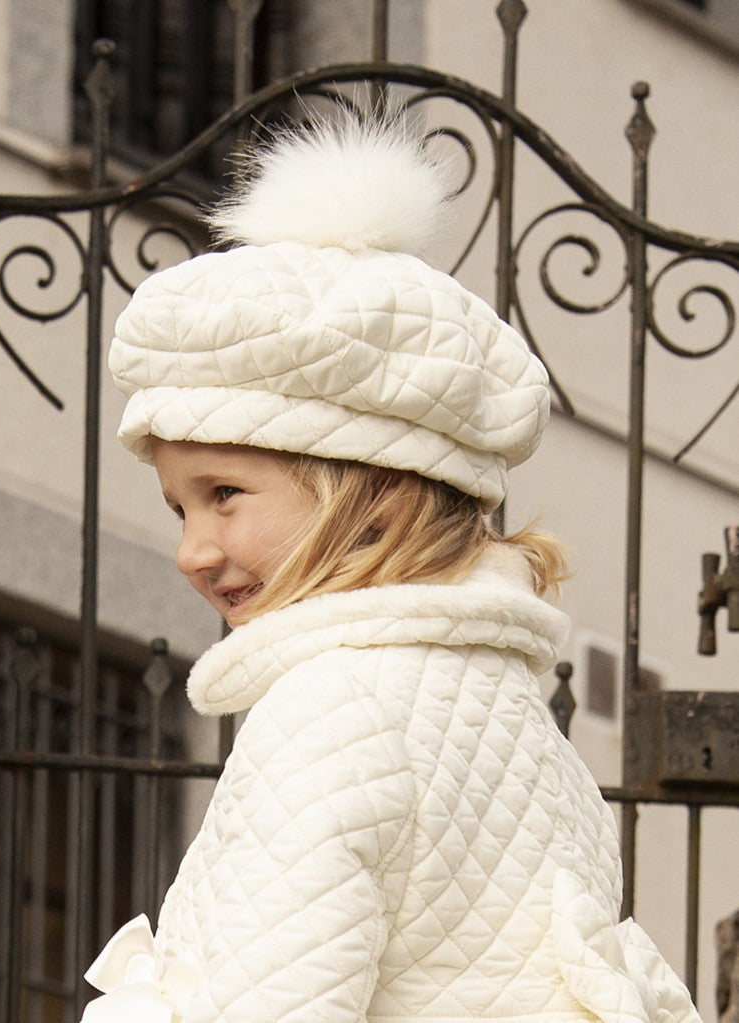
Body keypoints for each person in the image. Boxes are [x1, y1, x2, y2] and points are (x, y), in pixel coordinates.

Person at [81, 114, 701, 1023]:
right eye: (181, 508)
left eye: (225, 494)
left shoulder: (332, 711)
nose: (193, 550)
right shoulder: (515, 726)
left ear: (373, 491)